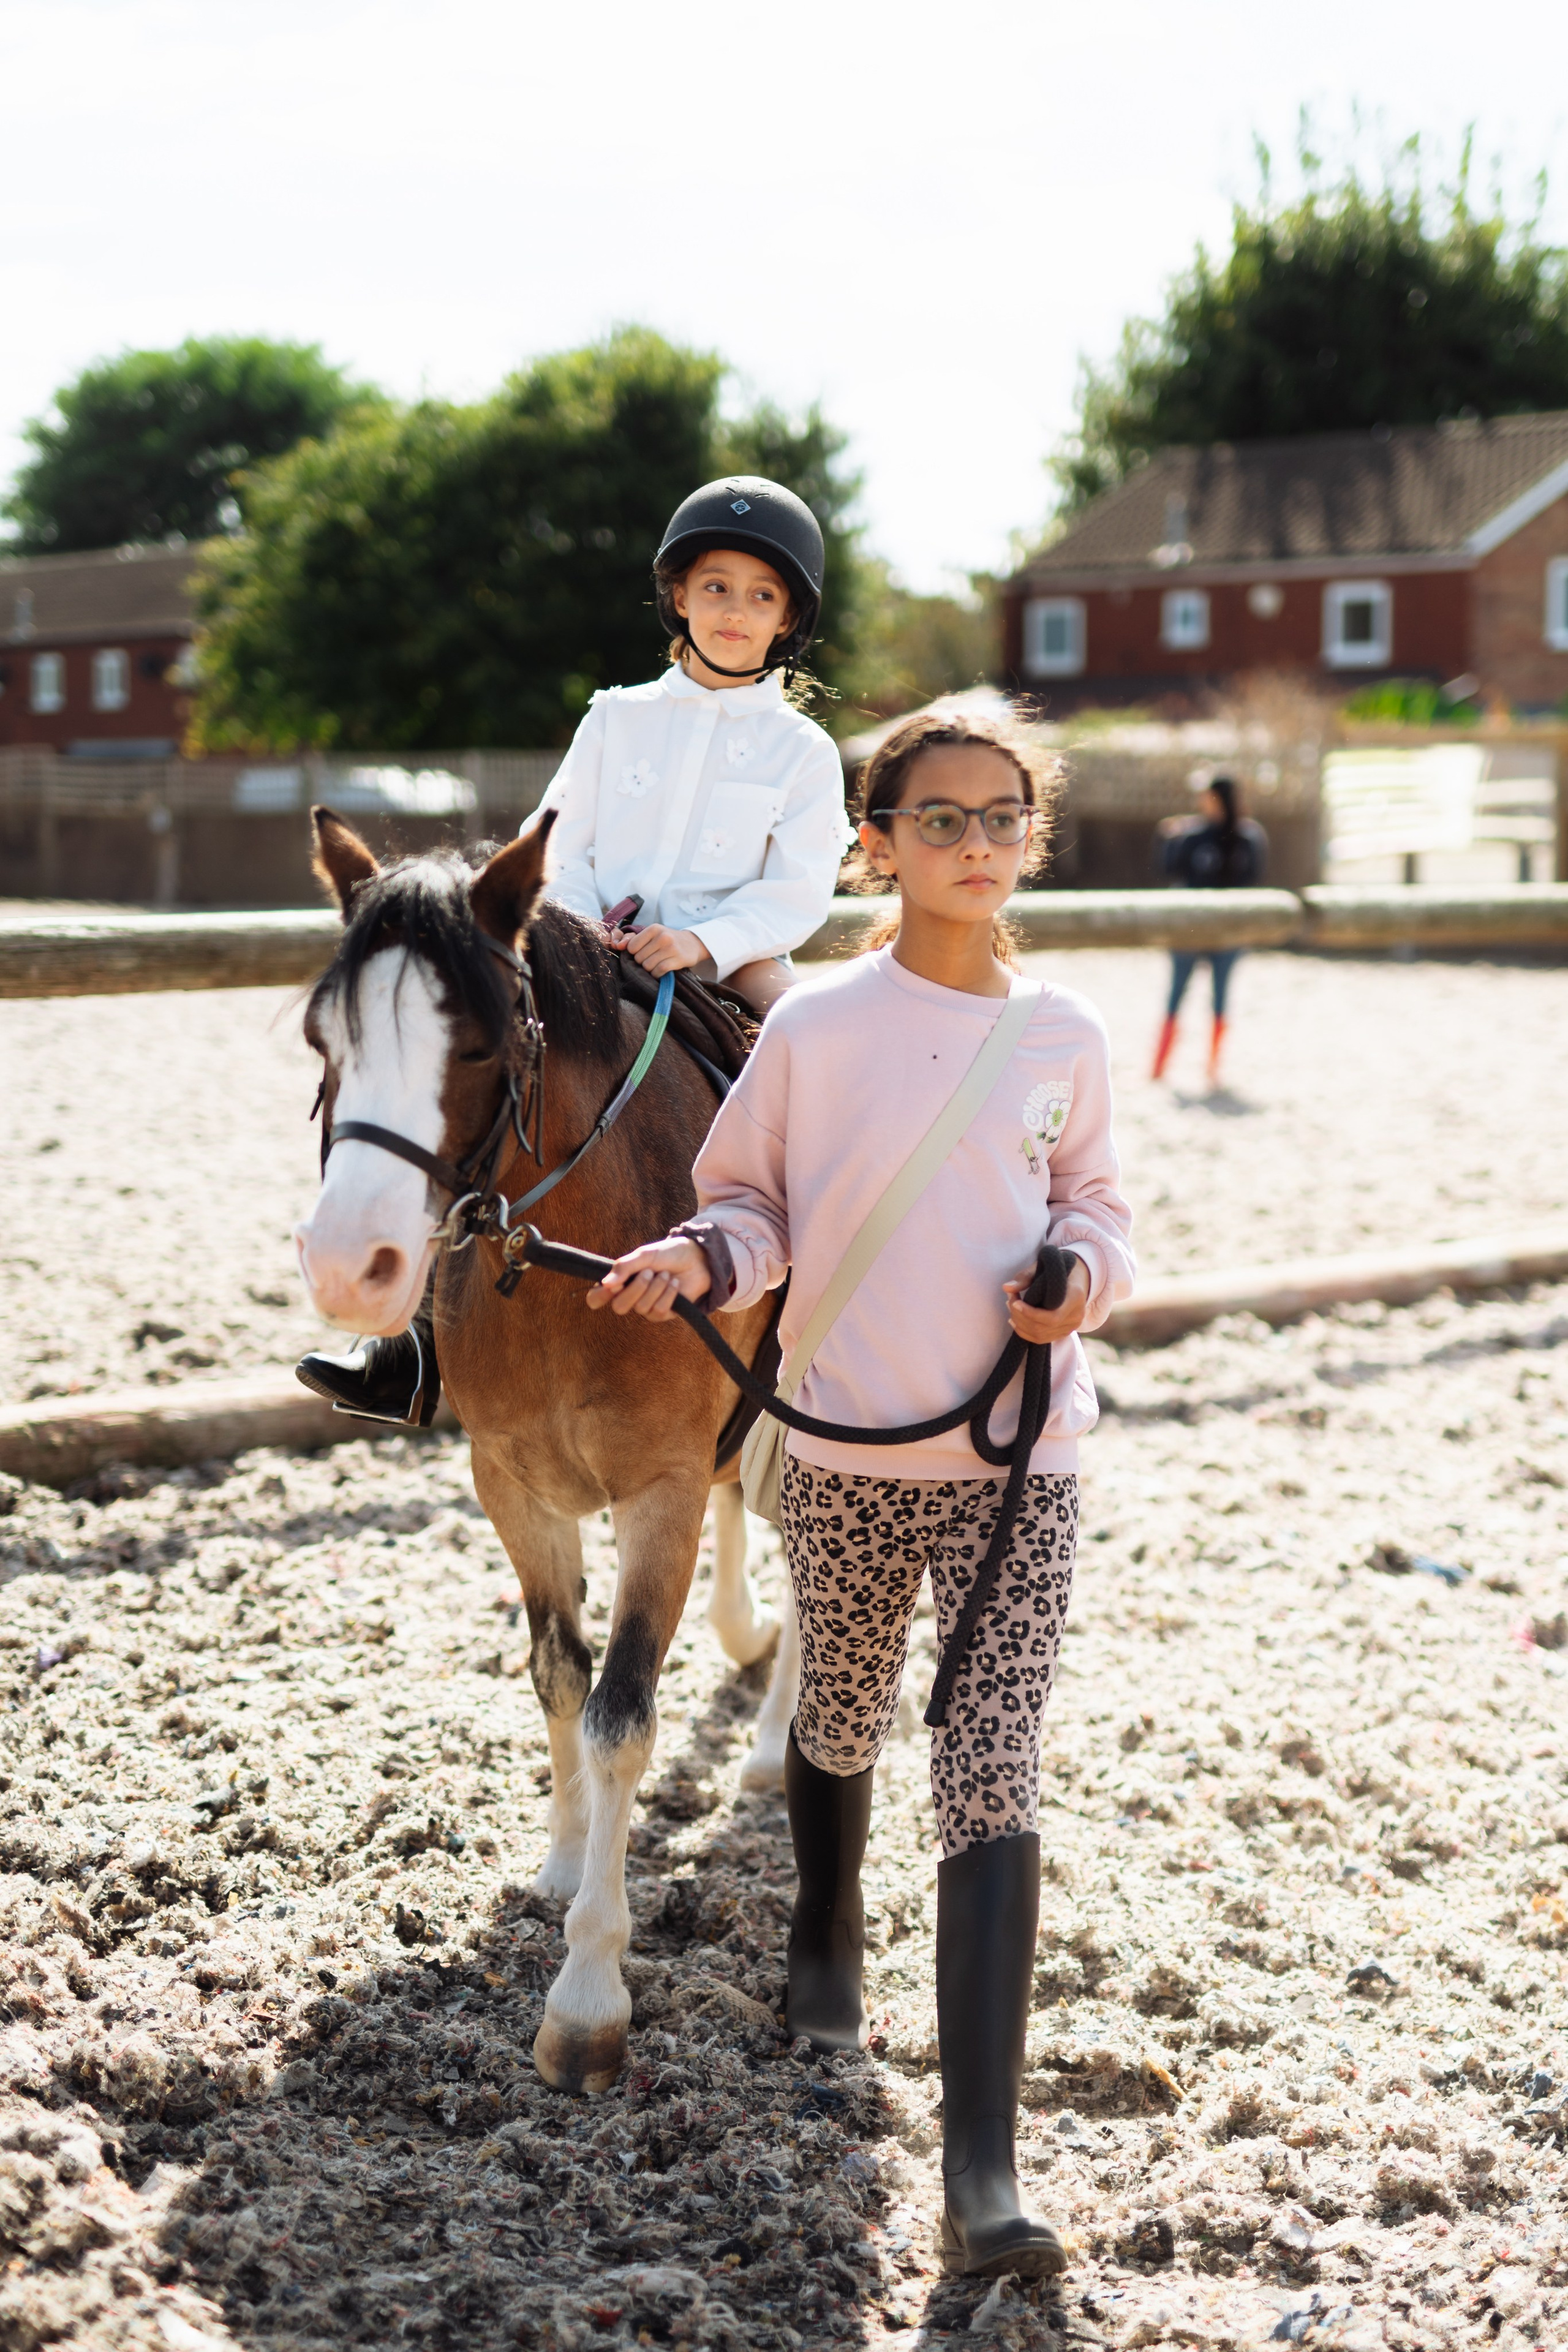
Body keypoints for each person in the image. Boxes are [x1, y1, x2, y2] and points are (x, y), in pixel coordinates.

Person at [588, 708, 1135, 2282]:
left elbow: (1098, 1199)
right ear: (873, 839)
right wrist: (700, 1255)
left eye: (1002, 817)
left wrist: (1077, 1272)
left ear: (1032, 835)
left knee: (991, 1758)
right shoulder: (815, 1030)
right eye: (939, 817)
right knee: (836, 1711)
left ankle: (982, 2164)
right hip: (840, 1445)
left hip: (1019, 1452)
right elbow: (746, 1202)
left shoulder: (1065, 1036)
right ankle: (823, 1923)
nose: (975, 843)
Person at [296, 475, 847, 1427]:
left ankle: (827, 1310)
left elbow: (797, 889)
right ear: (678, 596)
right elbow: (557, 839)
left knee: (822, 1056)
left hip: (731, 958)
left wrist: (702, 942)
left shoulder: (801, 752)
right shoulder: (615, 715)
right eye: (716, 587)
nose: (734, 612)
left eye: (762, 596)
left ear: (787, 619)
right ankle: (414, 1340)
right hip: (588, 941)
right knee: (451, 1077)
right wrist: (589, 934)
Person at [1150, 774, 1268, 1088]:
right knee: (1177, 995)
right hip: (1191, 929)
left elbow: (1251, 877)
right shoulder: (1196, 835)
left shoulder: (1246, 838)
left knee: (1219, 998)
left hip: (1227, 931)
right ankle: (1160, 1066)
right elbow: (1170, 869)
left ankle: (1212, 1067)